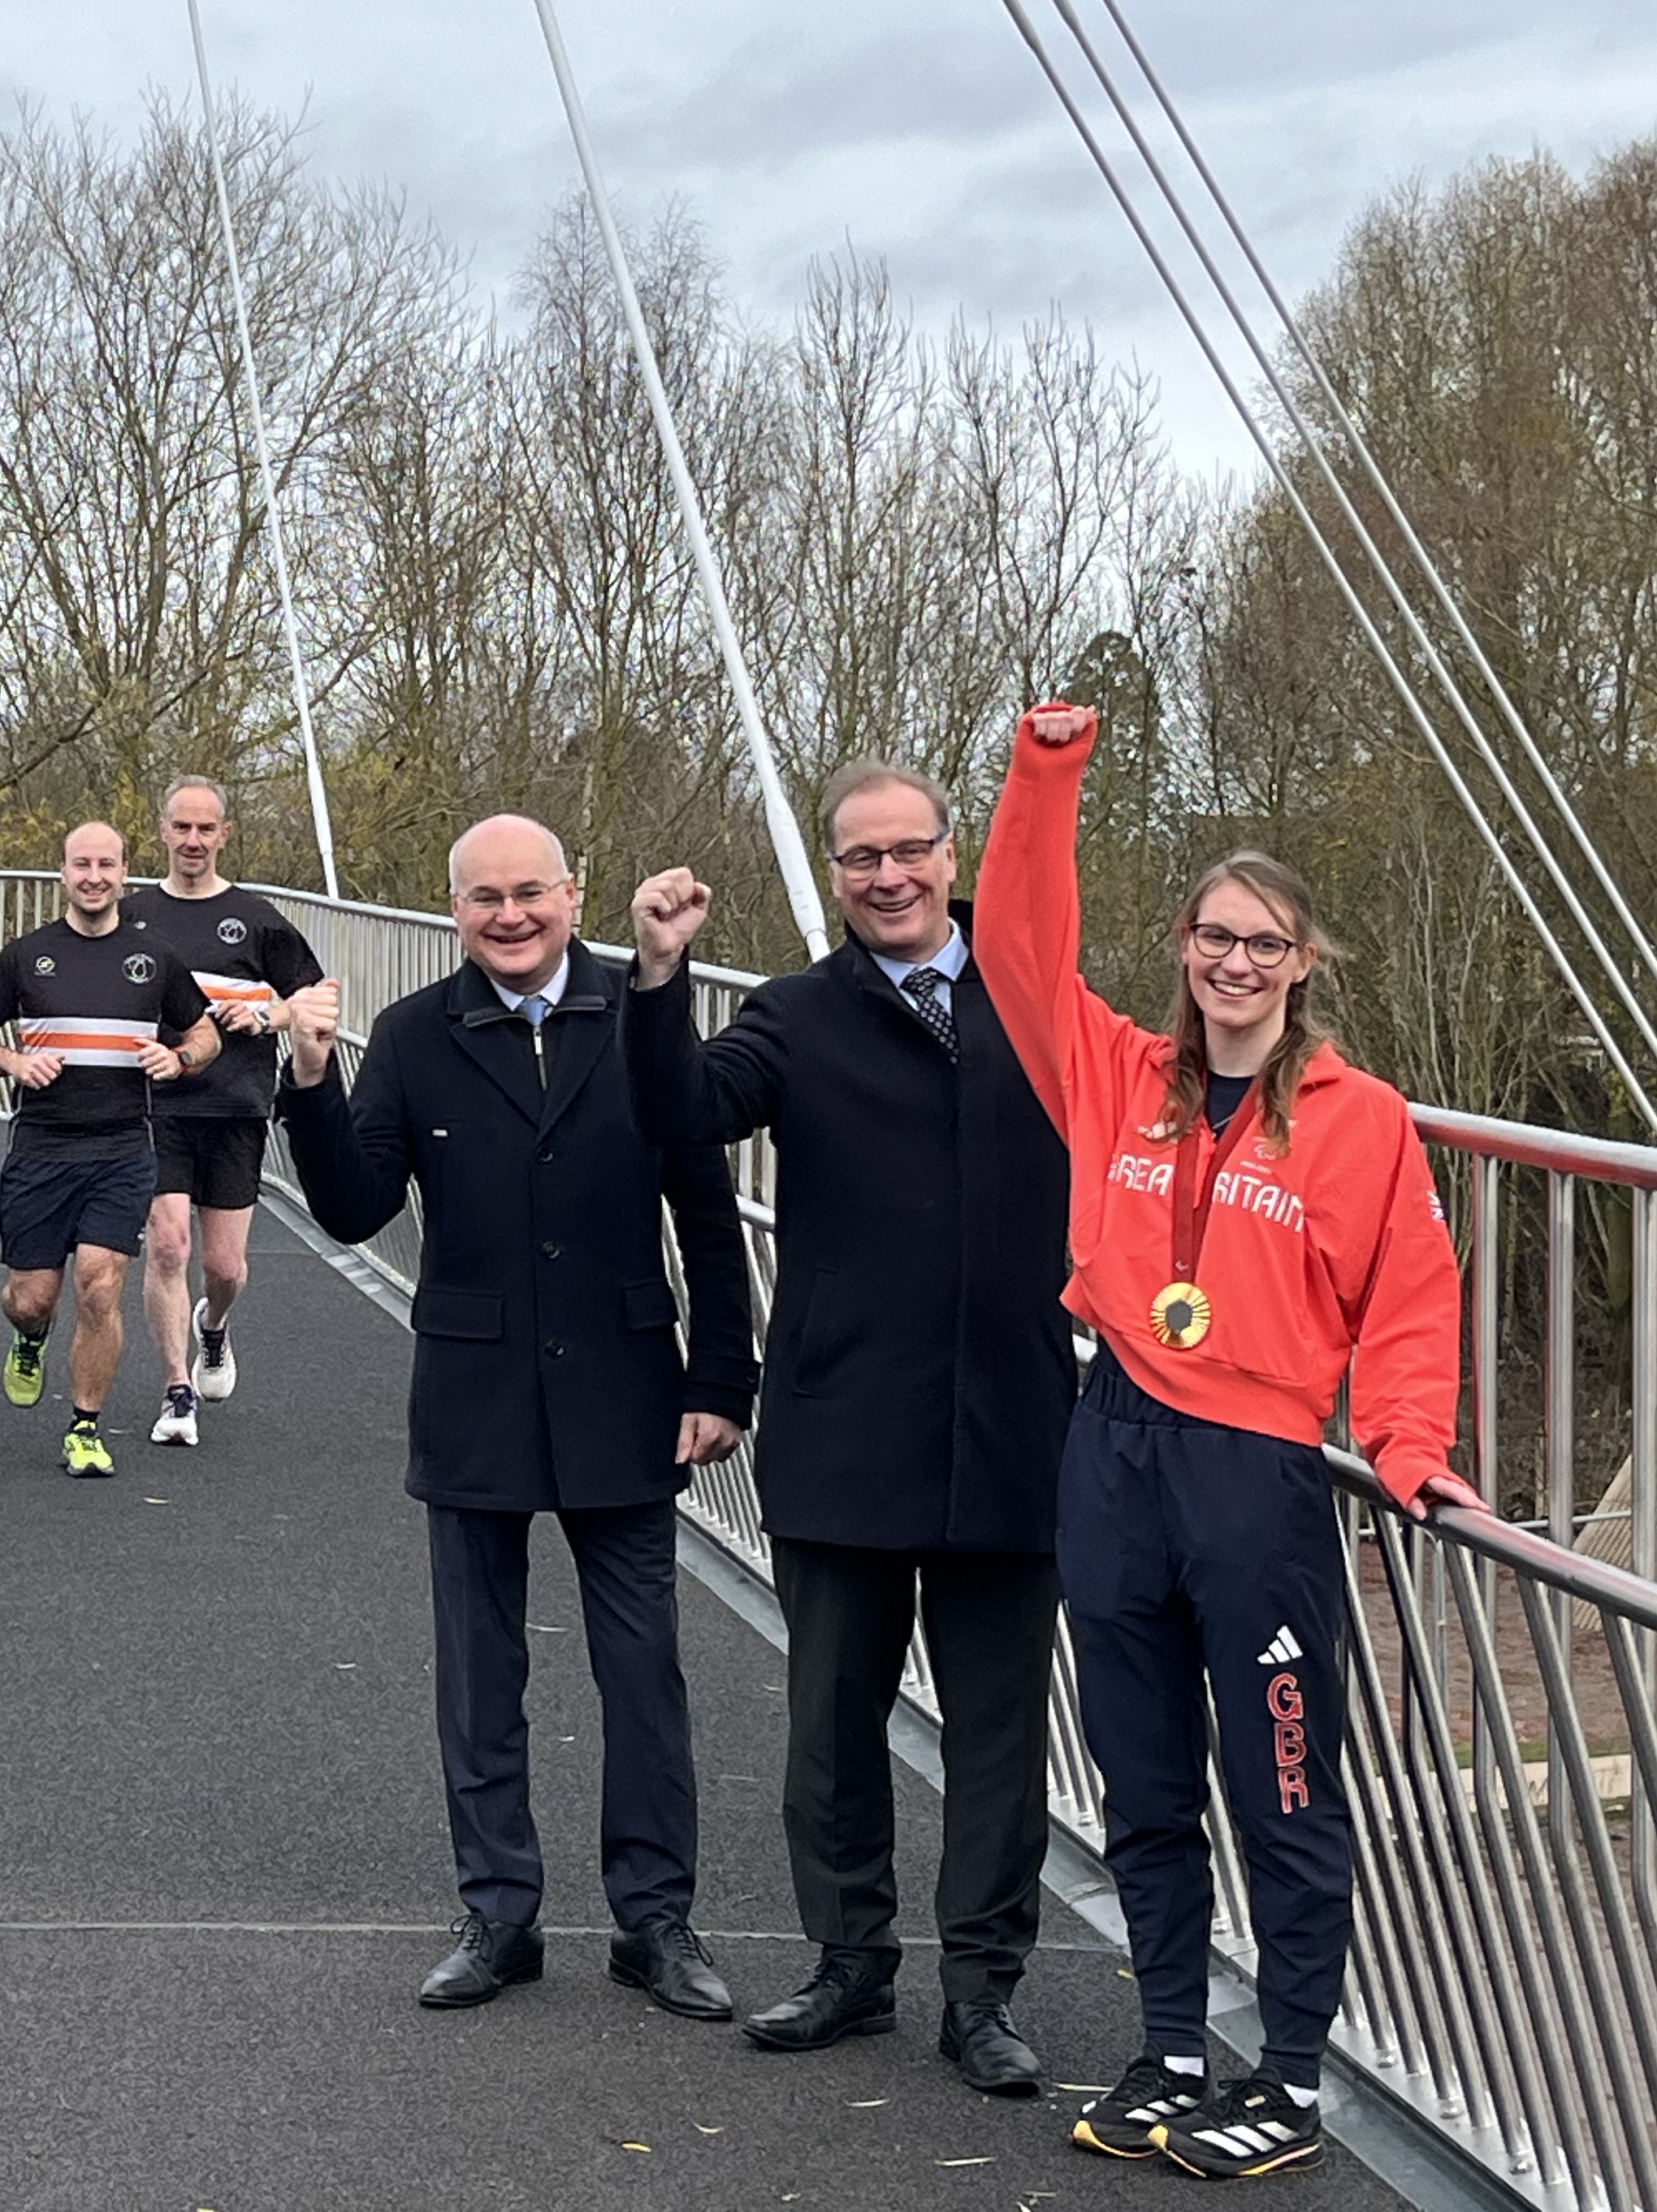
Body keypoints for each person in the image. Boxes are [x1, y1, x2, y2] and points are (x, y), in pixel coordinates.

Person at [976, 701, 1467, 2179]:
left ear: (1300, 963)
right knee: (1141, 1775)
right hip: (1113, 1439)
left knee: (1282, 1781)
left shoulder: (1358, 1116)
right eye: (1212, 935)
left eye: (1263, 941)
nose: (1233, 961)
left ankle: (1294, 2073)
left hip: (1252, 1470)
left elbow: (1409, 1295)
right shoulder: (1119, 1074)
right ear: (1182, 947)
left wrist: (1402, 1440)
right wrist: (1041, 775)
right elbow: (1009, 940)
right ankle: (1173, 2042)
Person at [622, 760, 1074, 2095]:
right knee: (832, 1721)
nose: (887, 874)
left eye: (908, 850)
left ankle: (982, 1990)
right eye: (859, 856)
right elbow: (675, 1113)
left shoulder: (1041, 1003)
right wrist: (654, 975)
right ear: (832, 872)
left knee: (997, 1733)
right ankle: (849, 1963)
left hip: (1011, 1428)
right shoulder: (794, 1016)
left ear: (950, 856)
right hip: (844, 1421)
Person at [278, 815, 757, 2021]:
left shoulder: (641, 1012)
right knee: (479, 1672)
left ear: (572, 890)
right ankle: (499, 1912)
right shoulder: (413, 1034)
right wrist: (309, 1079)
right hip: (477, 1388)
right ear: (454, 910)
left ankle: (656, 1921)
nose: (509, 915)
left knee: (642, 1669)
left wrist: (720, 1381)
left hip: (627, 1383)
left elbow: (705, 1208)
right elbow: (351, 1205)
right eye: (484, 897)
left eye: (529, 893)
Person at [0, 822, 218, 1477]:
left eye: (106, 864)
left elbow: (206, 1033)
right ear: (62, 873)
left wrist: (179, 1057)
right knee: (32, 1298)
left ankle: (84, 1427)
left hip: (123, 1148)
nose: (94, 876)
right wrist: (14, 1064)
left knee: (99, 1287)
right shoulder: (27, 955)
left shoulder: (153, 956)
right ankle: (30, 1337)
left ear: (125, 872)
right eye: (81, 864)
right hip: (41, 1149)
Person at [120, 776, 326, 1447]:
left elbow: (316, 995)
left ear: (225, 835)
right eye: (182, 827)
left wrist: (269, 1014)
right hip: (158, 1103)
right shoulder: (134, 917)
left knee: (225, 1268)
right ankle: (177, 1391)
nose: (193, 840)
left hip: (236, 1103)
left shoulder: (258, 919)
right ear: (162, 831)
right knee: (169, 1243)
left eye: (206, 829)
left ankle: (213, 1327)